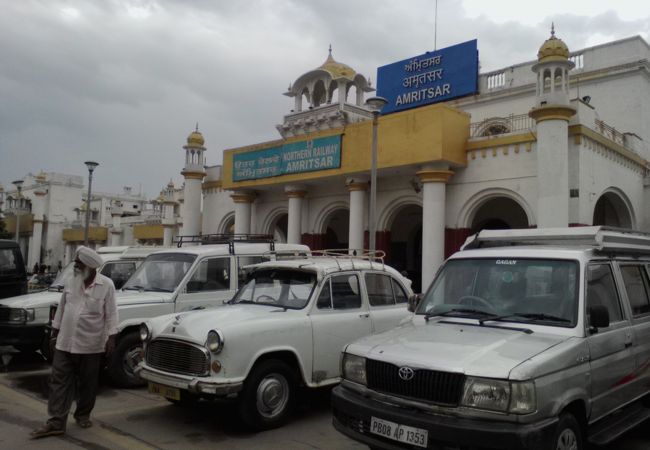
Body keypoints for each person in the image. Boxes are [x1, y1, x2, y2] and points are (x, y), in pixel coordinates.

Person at [30, 246, 118, 439]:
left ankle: (83, 413)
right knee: (59, 382)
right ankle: (56, 422)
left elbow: (111, 315)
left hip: (91, 345)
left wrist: (111, 339)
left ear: (90, 267)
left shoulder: (107, 285)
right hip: (65, 342)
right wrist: (54, 334)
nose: (75, 267)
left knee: (88, 384)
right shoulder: (71, 282)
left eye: (79, 264)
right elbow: (61, 309)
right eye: (76, 264)